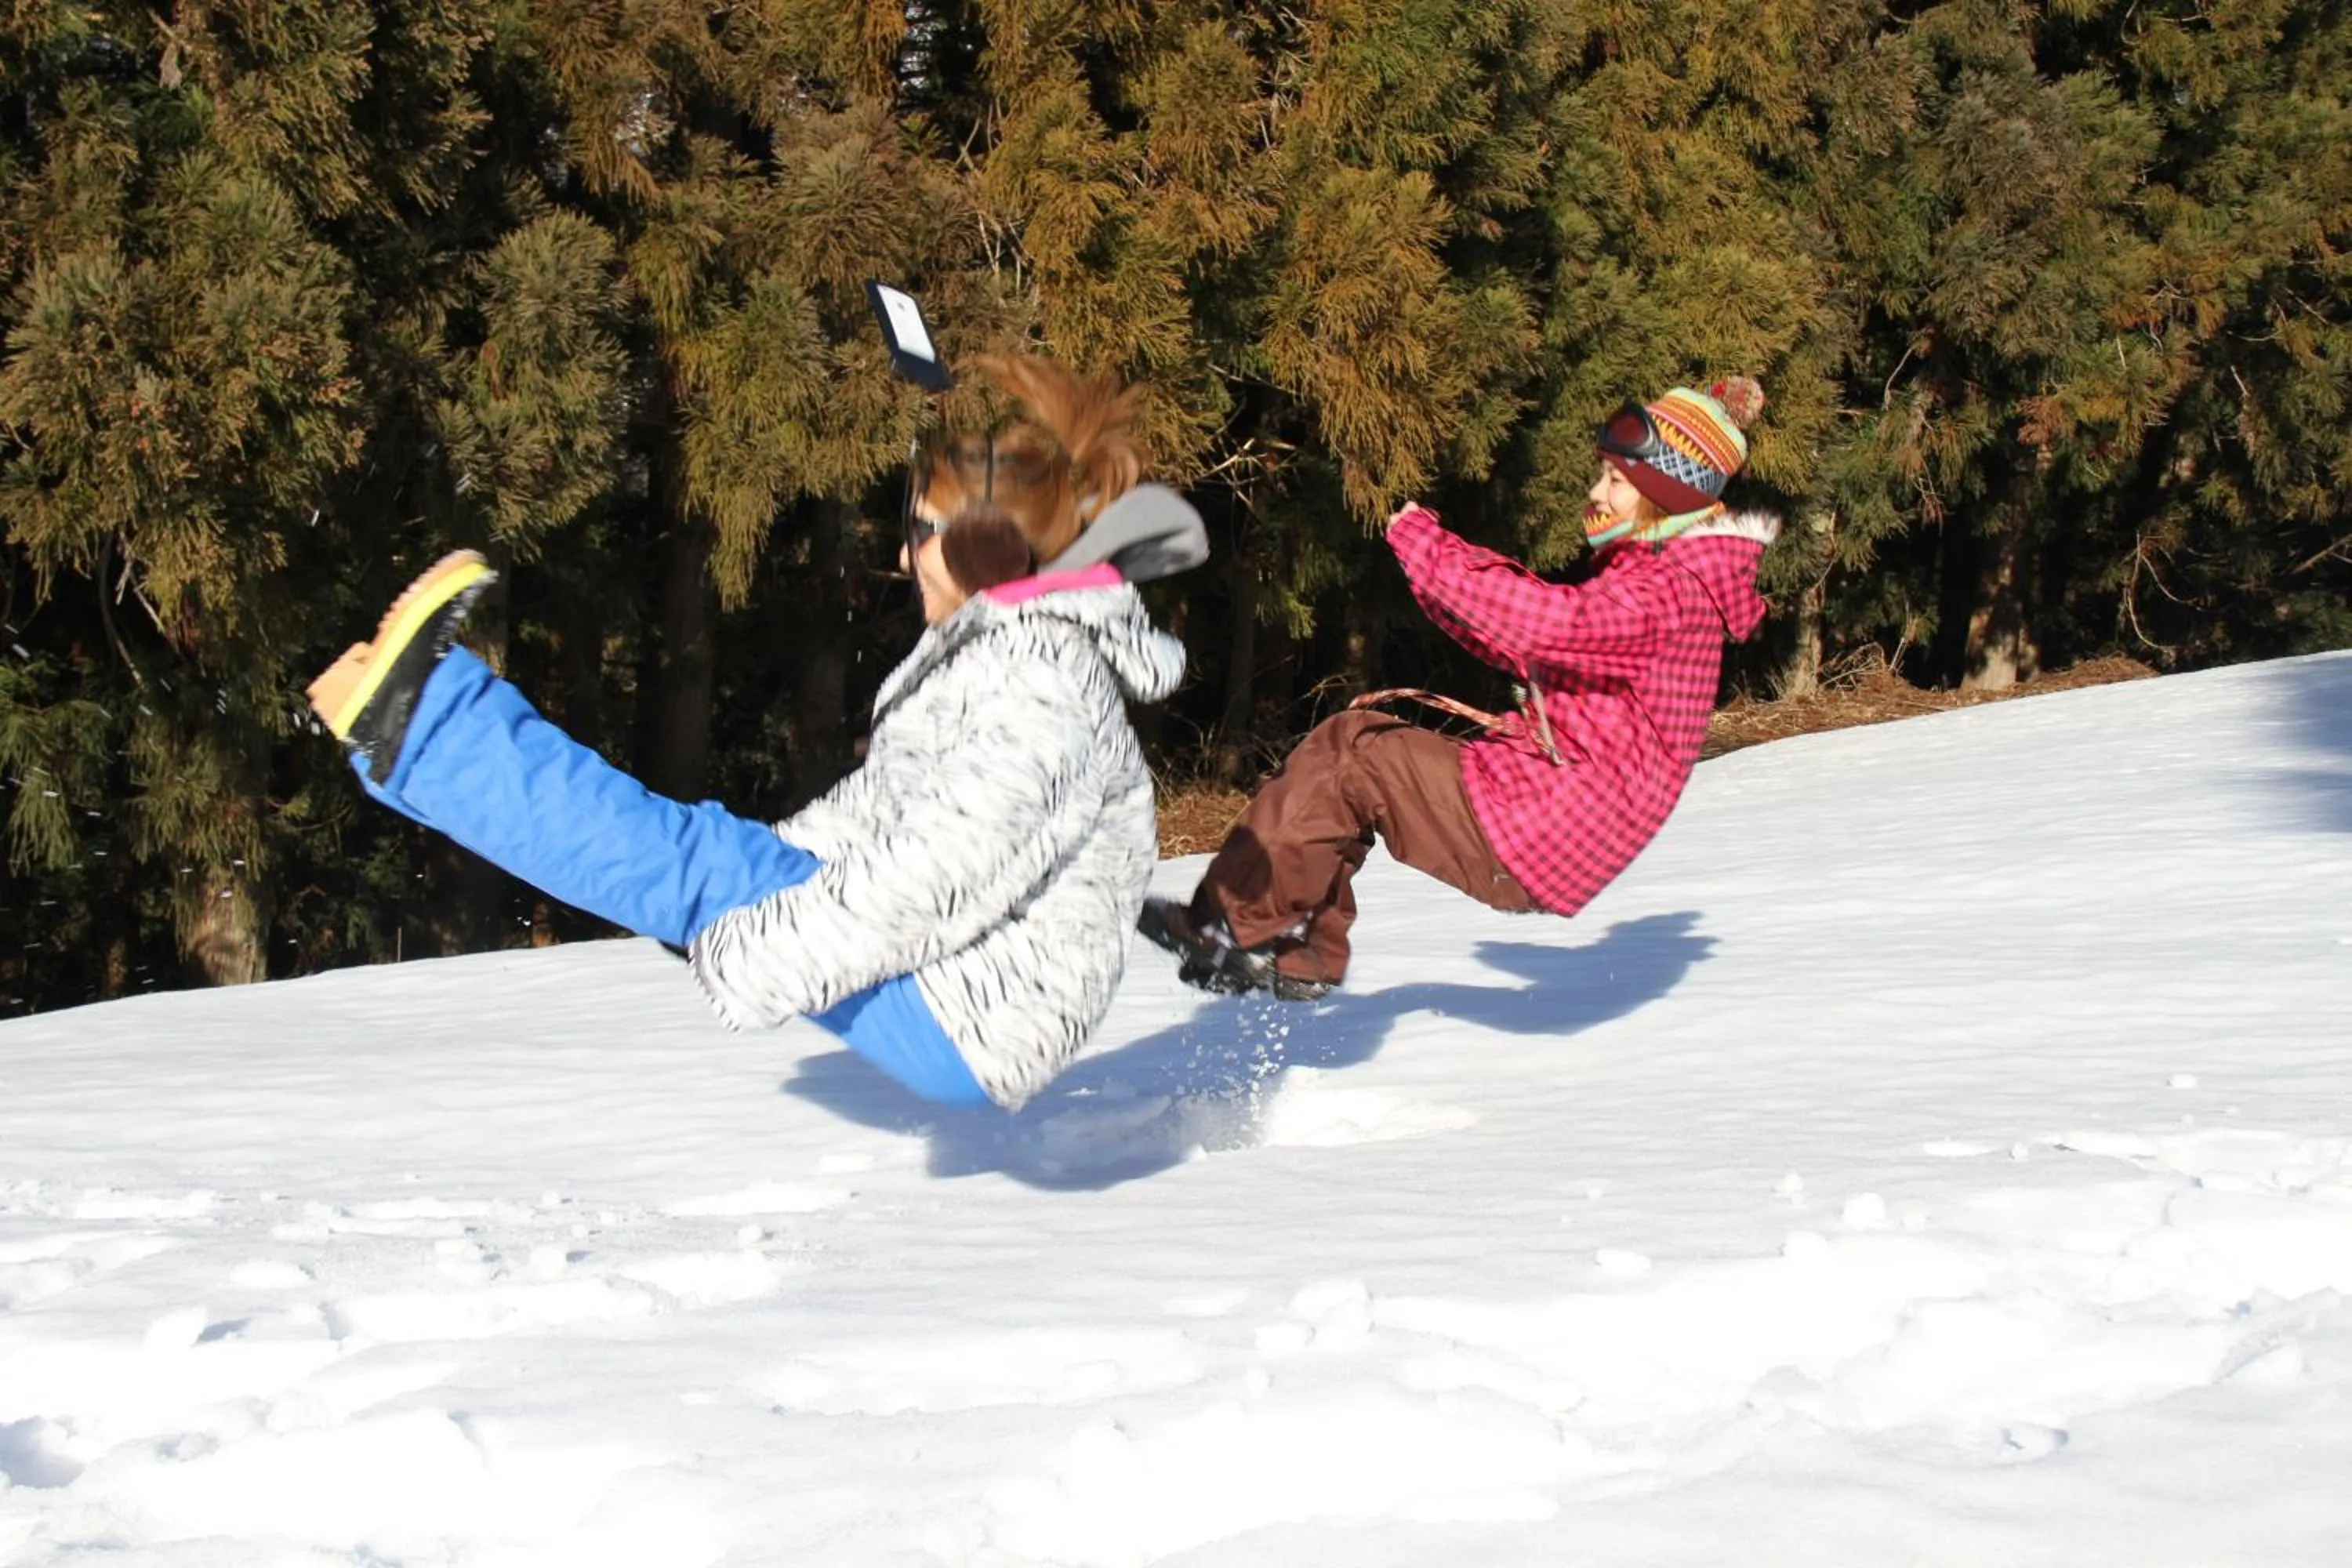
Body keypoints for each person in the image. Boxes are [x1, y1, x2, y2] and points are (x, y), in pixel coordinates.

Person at [307, 356, 1206, 1112]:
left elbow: (940, 870)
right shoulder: (1008, 654)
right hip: (972, 988)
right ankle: (409, 743)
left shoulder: (1039, 681)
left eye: (920, 531)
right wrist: (759, 873)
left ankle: (420, 726)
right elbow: (878, 812)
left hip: (971, 1016)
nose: (902, 556)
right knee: (706, 863)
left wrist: (762, 946)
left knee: (700, 870)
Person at [1141, 377, 1780, 1000]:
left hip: (1545, 826)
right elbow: (1523, 641)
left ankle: (1242, 927)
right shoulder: (1671, 580)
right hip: (1547, 816)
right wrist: (1431, 574)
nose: (1597, 492)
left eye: (1616, 480)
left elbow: (1544, 623)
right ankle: (1294, 946)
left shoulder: (1665, 593)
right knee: (1354, 754)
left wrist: (1428, 545)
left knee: (1355, 756)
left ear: (1663, 494)